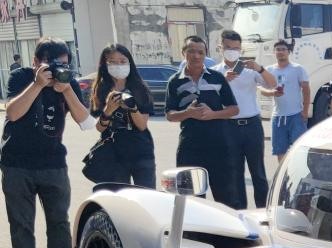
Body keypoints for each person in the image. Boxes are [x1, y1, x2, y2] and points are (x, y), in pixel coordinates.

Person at [1, 37, 94, 248]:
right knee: (21, 223)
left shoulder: (67, 81)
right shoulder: (21, 77)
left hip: (53, 163)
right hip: (17, 163)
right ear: (36, 62)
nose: (57, 69)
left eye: (63, 64)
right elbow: (13, 112)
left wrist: (67, 90)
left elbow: (85, 121)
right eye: (51, 63)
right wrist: (38, 84)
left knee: (59, 222)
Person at [165, 36, 239, 205]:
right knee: (192, 201)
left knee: (226, 199)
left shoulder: (217, 78)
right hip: (190, 148)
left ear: (206, 54)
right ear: (183, 53)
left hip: (219, 147)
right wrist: (188, 113)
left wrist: (212, 114)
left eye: (201, 52)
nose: (196, 56)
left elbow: (234, 109)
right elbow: (169, 114)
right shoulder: (174, 81)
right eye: (191, 51)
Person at [213, 30, 276, 209]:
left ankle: (263, 210)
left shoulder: (249, 69)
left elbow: (273, 84)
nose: (232, 51)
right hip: (228, 126)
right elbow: (210, 98)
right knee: (234, 172)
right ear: (220, 48)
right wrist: (223, 80)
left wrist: (259, 68)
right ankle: (240, 212)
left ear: (241, 49)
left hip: (252, 125)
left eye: (236, 48)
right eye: (228, 47)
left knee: (258, 172)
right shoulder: (215, 72)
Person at [89, 43, 157, 187]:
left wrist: (132, 108)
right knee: (119, 194)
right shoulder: (101, 89)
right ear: (105, 65)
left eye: (122, 61)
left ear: (129, 62)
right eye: (112, 62)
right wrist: (108, 110)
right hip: (113, 152)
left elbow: (142, 125)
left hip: (141, 150)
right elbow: (99, 128)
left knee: (146, 193)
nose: (118, 65)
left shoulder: (139, 88)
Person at [262, 40, 310, 161]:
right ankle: (284, 173)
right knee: (280, 152)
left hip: (296, 116)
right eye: (278, 50)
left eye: (283, 49)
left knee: (300, 151)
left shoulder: (298, 69)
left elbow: (306, 90)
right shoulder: (269, 70)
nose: (280, 52)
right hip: (278, 117)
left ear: (289, 52)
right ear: (274, 52)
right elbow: (262, 89)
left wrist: (305, 111)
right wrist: (272, 93)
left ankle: (298, 173)